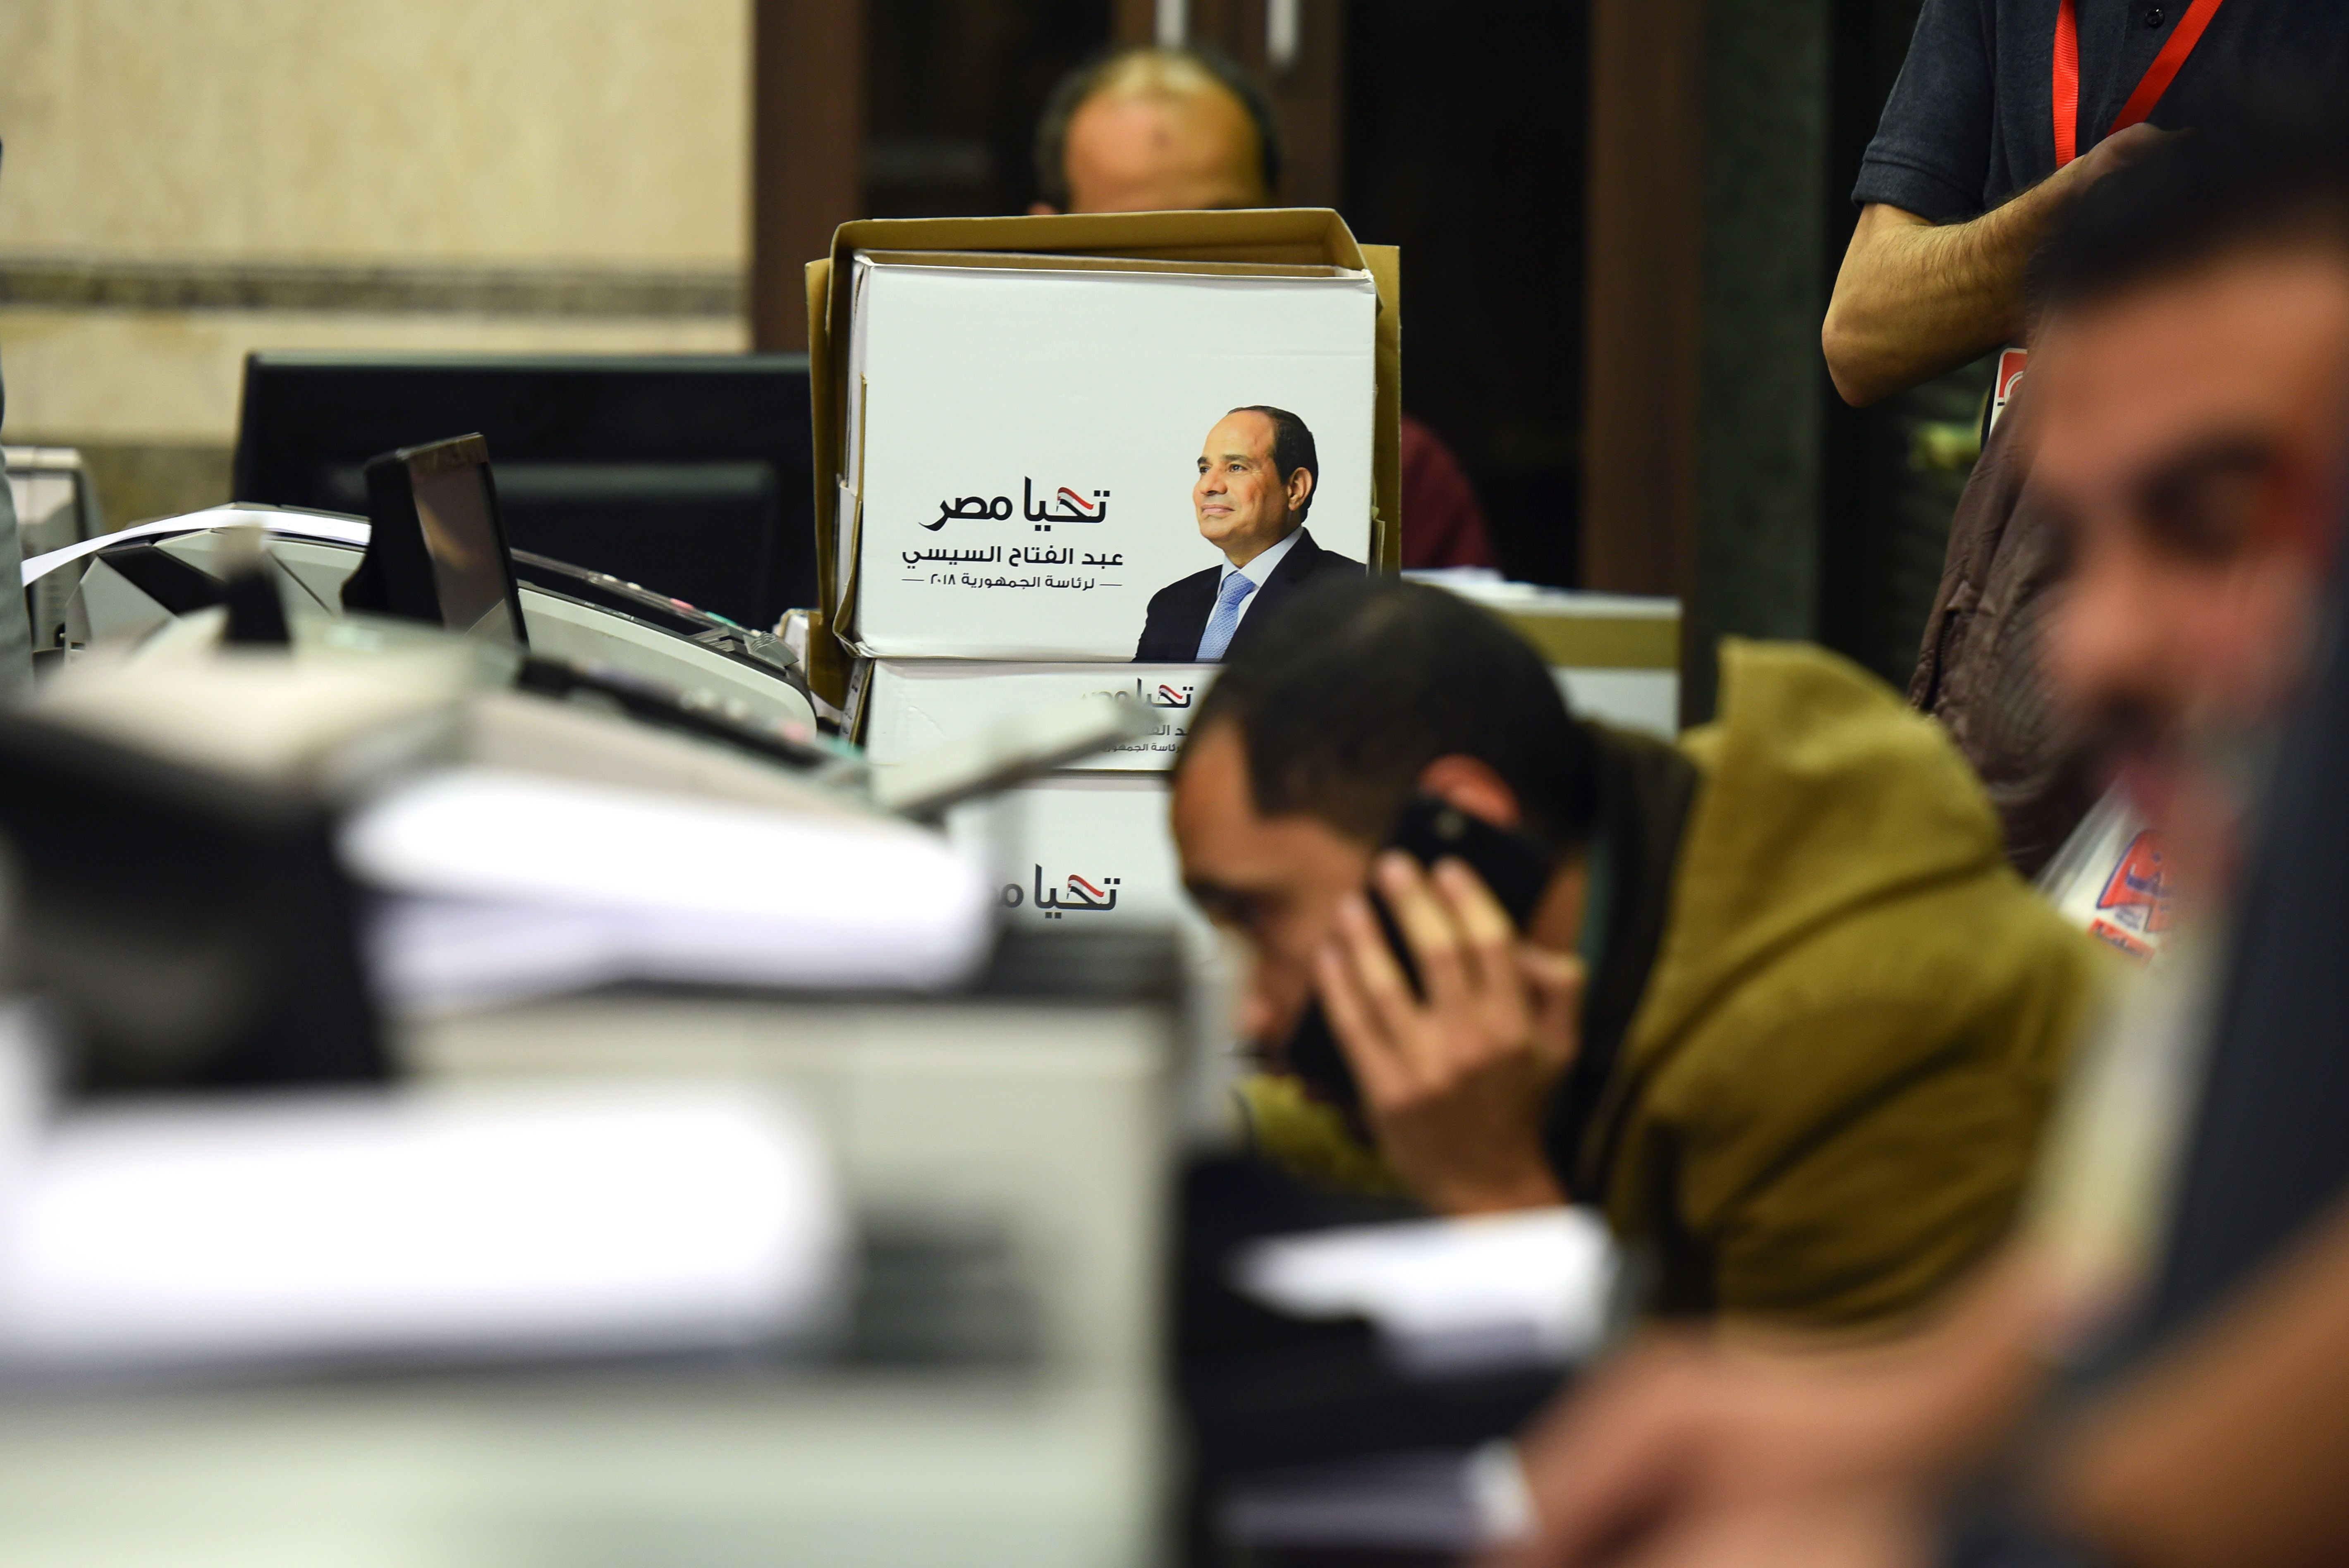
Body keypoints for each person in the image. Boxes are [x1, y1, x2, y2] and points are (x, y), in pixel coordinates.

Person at [1499, 115, 2349, 1568]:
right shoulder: (2219, 846)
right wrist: (1819, 1419)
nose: (2093, 644)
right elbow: (2095, 1303)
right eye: (2081, 545)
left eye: (2211, 526)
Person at [1169, 575, 2101, 1325]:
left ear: (1452, 829)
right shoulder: (1644, 857)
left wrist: (1490, 1192)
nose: (1250, 1011)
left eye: (1257, 917)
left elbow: (1776, 1517)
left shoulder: (1850, 1040)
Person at [1829, 3, 2349, 875]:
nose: (2093, 646)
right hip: (2002, 602)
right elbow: (1861, 331)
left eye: (2205, 518)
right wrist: (2063, 222)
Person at [1031, 43, 1499, 572]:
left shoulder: (1393, 467)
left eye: (1224, 229)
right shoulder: (1002, 451)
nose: (1187, 271)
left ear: (1284, 219)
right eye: (1136, 238)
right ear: (1050, 239)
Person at [1136, 406, 1360, 662]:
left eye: (1236, 468)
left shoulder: (1358, 598)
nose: (1208, 486)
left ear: (1295, 488)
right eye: (1205, 470)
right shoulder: (1173, 604)